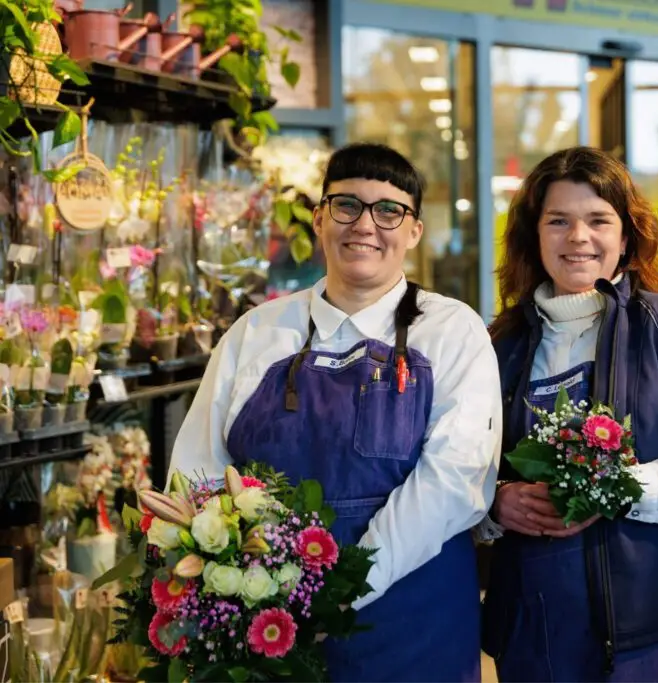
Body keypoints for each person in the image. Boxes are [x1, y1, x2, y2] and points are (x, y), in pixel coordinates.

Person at [169, 142, 501, 682]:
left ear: (414, 231)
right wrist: (238, 580)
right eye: (347, 205)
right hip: (269, 621)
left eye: (389, 210)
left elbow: (452, 479)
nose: (365, 225)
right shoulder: (257, 332)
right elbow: (197, 473)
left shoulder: (450, 330)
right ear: (320, 217)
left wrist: (341, 589)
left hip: (414, 620)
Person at [481, 146, 658, 682]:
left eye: (598, 220)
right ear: (534, 237)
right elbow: (469, 472)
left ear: (626, 236)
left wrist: (613, 488)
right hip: (541, 636)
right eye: (558, 221)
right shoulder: (500, 346)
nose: (578, 237)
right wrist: (496, 504)